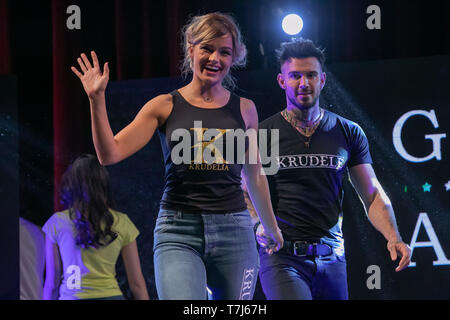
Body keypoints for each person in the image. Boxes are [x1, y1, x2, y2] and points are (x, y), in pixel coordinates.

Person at [70, 12, 283, 300]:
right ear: (190, 48)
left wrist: (270, 227)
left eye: (225, 52)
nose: (215, 58)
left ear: (234, 58)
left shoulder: (245, 109)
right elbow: (109, 154)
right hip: (178, 231)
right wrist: (96, 100)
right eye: (206, 48)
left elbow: (254, 174)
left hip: (235, 230)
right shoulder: (164, 105)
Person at [244, 38, 411, 300]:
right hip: (282, 257)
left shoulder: (349, 132)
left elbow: (372, 194)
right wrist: (258, 224)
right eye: (295, 76)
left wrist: (393, 236)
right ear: (281, 81)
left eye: (311, 75)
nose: (303, 83)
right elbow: (244, 192)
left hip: (332, 256)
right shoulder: (262, 134)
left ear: (322, 79)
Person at [42, 154, 149, 300]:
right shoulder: (122, 222)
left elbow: (52, 283)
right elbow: (136, 284)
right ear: (103, 183)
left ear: (71, 184)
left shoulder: (56, 222)